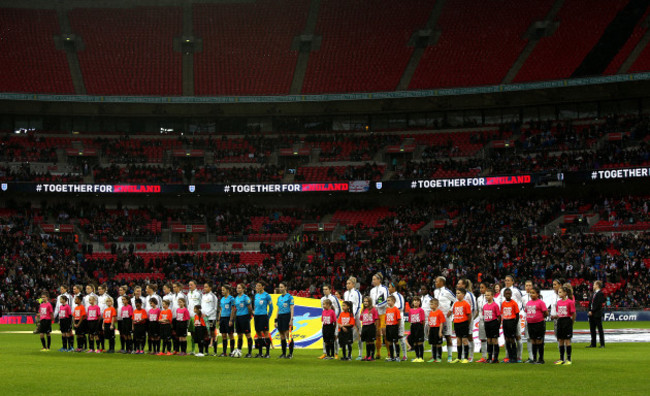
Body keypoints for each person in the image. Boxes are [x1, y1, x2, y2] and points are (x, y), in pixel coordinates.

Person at [434, 276, 456, 362]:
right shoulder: (435, 292)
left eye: (437, 282)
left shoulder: (447, 292)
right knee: (437, 337)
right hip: (437, 317)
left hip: (446, 317)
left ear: (442, 283)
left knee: (447, 336)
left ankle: (450, 356)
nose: (435, 283)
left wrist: (451, 310)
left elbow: (456, 300)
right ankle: (438, 356)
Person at [503, 275, 524, 362]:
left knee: (517, 336)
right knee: (507, 338)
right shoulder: (502, 291)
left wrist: (518, 312)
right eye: (506, 280)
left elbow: (521, 301)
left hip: (514, 318)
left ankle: (519, 356)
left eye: (508, 280)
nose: (507, 282)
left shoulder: (516, 291)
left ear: (512, 282)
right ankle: (508, 356)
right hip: (506, 318)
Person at [448, 288, 472, 364]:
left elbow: (469, 315)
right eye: (457, 293)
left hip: (464, 323)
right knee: (458, 340)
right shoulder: (455, 304)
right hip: (457, 323)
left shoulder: (466, 304)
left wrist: (467, 323)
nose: (457, 295)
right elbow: (455, 314)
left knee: (464, 340)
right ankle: (458, 357)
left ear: (463, 294)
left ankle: (465, 358)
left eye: (459, 293)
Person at [526, 286, 549, 364]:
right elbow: (526, 311)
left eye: (533, 293)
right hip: (530, 324)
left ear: (538, 294)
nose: (531, 295)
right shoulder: (528, 303)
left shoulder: (541, 302)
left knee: (539, 340)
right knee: (533, 341)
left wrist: (540, 318)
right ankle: (534, 358)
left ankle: (541, 359)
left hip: (539, 324)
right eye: (530, 293)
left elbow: (546, 312)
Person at [369, 273, 389, 360]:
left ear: (379, 280)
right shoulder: (372, 290)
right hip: (375, 315)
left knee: (385, 333)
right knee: (377, 334)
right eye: (373, 279)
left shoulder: (384, 289)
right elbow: (370, 301)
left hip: (383, 313)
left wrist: (376, 306)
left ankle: (389, 352)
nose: (373, 281)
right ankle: (378, 353)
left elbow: (386, 301)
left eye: (374, 279)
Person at [457, 278, 477, 362]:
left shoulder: (469, 295)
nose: (457, 285)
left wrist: (471, 319)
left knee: (469, 337)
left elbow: (474, 308)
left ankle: (470, 356)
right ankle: (462, 356)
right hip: (460, 320)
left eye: (459, 284)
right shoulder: (458, 295)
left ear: (464, 285)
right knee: (460, 338)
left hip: (468, 319)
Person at [343, 277, 363, 360]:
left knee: (359, 335)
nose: (347, 285)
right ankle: (349, 354)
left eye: (349, 283)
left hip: (356, 317)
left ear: (353, 284)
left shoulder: (357, 293)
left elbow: (358, 306)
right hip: (347, 317)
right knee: (348, 335)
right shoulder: (345, 293)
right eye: (347, 283)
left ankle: (360, 354)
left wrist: (353, 316)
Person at [319, 284, 341, 359]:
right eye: (323, 289)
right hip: (326, 321)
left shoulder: (334, 298)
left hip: (333, 321)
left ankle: (336, 353)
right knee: (325, 337)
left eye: (326, 289)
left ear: (330, 290)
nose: (324, 291)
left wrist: (335, 318)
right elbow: (323, 310)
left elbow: (339, 308)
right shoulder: (322, 299)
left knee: (335, 337)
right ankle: (325, 353)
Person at [556, 286, 576, 365]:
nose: (559, 293)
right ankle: (561, 358)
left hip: (567, 320)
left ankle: (569, 359)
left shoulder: (569, 302)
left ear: (565, 293)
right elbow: (558, 312)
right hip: (560, 321)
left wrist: (571, 322)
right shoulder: (558, 302)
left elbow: (573, 313)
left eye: (560, 292)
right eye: (558, 292)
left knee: (567, 340)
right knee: (560, 340)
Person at [253, 281, 274, 358]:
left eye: (258, 286)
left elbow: (271, 307)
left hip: (263, 316)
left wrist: (268, 317)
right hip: (257, 316)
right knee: (258, 333)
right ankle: (260, 353)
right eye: (256, 286)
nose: (257, 287)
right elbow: (255, 306)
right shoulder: (256, 295)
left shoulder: (267, 296)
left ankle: (267, 353)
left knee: (265, 333)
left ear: (263, 287)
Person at [388, 282, 407, 361]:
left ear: (393, 288)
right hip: (391, 319)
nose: (388, 288)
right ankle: (395, 355)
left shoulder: (399, 296)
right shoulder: (390, 297)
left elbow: (401, 307)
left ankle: (404, 355)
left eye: (389, 287)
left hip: (399, 318)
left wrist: (393, 308)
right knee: (393, 338)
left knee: (400, 336)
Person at [234, 283, 254, 358]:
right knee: (239, 335)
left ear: (243, 289)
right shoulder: (236, 298)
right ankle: (239, 350)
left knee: (248, 335)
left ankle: (249, 352)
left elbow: (250, 308)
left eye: (239, 288)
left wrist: (248, 316)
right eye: (237, 288)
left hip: (245, 317)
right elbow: (236, 309)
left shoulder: (246, 298)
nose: (237, 289)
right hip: (238, 318)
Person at [275, 281, 294, 359]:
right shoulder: (279, 298)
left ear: (286, 287)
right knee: (281, 335)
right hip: (280, 317)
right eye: (280, 287)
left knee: (288, 335)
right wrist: (276, 320)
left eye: (282, 287)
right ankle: (283, 353)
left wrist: (291, 319)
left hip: (287, 316)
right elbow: (278, 309)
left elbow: (292, 308)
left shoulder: (290, 297)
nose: (280, 288)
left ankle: (290, 354)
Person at [482, 288, 501, 363]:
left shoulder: (495, 305)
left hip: (493, 323)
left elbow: (498, 316)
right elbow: (484, 315)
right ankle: (489, 357)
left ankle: (495, 358)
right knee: (489, 340)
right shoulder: (485, 306)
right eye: (486, 295)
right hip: (487, 323)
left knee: (494, 340)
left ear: (492, 296)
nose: (487, 297)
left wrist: (498, 325)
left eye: (488, 295)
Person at [501, 288, 519, 363]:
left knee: (512, 339)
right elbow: (502, 313)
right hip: (505, 322)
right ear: (504, 295)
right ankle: (510, 356)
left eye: (509, 293)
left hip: (512, 322)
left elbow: (517, 314)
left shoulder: (514, 303)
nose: (508, 295)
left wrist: (515, 324)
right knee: (507, 339)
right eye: (506, 294)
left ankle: (514, 357)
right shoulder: (503, 303)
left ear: (511, 295)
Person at [218, 285, 236, 357]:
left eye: (223, 290)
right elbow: (221, 309)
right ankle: (224, 352)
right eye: (222, 290)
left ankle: (232, 352)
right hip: (222, 318)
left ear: (227, 290)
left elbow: (233, 309)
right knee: (223, 335)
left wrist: (231, 320)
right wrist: (219, 319)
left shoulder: (231, 299)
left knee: (231, 335)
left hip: (228, 318)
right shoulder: (222, 299)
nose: (222, 291)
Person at [360, 296, 379, 361]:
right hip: (365, 326)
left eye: (367, 301)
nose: (365, 303)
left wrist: (376, 328)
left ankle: (372, 356)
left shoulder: (373, 309)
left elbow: (376, 319)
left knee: (371, 341)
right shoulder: (363, 310)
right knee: (367, 341)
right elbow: (361, 319)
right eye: (364, 301)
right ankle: (367, 355)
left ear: (370, 302)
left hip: (371, 326)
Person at [587, 280, 606, 348]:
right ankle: (593, 343)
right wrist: (589, 310)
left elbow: (598, 304)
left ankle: (602, 344)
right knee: (592, 329)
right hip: (592, 314)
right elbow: (590, 303)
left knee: (600, 329)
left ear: (597, 285)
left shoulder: (600, 294)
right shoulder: (594, 294)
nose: (593, 286)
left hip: (597, 314)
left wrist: (592, 310)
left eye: (594, 284)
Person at [201, 282, 218, 355]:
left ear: (210, 288)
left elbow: (214, 308)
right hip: (204, 318)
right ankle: (206, 351)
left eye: (206, 287)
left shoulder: (213, 296)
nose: (204, 288)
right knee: (205, 334)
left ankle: (215, 351)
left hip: (211, 317)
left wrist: (207, 314)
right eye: (204, 287)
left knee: (212, 334)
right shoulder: (203, 296)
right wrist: (202, 313)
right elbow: (202, 307)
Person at [427, 298, 445, 363]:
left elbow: (441, 323)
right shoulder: (431, 313)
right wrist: (429, 331)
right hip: (432, 329)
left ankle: (439, 357)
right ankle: (434, 357)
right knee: (433, 344)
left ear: (436, 305)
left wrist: (440, 331)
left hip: (437, 329)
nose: (430, 305)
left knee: (438, 344)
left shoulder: (439, 312)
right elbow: (429, 323)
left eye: (432, 304)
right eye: (430, 304)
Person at [385, 295, 402, 362]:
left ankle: (397, 356)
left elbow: (399, 319)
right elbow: (386, 319)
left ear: (393, 301)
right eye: (387, 301)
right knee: (390, 342)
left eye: (389, 300)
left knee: (396, 341)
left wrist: (397, 327)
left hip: (394, 326)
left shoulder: (396, 309)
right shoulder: (387, 309)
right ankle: (391, 357)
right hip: (388, 326)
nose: (388, 302)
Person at [521, 280, 535, 362]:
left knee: (536, 339)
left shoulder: (537, 297)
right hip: (528, 321)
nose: (528, 287)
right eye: (527, 285)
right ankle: (531, 357)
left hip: (536, 321)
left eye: (530, 285)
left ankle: (536, 356)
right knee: (529, 338)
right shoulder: (523, 298)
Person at [408, 296, 425, 363]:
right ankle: (417, 356)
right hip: (413, 326)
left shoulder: (421, 310)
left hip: (419, 326)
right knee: (415, 342)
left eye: (417, 301)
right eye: (414, 300)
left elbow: (423, 320)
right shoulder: (411, 310)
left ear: (419, 303)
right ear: (412, 302)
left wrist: (421, 328)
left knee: (420, 342)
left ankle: (421, 357)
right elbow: (410, 320)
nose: (416, 302)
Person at [187, 280, 202, 355]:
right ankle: (192, 350)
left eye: (191, 285)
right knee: (192, 333)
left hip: (196, 317)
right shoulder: (188, 294)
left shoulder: (199, 294)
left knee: (198, 334)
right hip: (190, 317)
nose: (190, 286)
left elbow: (201, 304)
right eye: (189, 285)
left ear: (195, 285)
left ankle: (200, 350)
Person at [476, 282, 489, 363]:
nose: (481, 289)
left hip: (489, 320)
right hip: (481, 321)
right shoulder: (479, 299)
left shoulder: (490, 298)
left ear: (486, 288)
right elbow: (478, 311)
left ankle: (492, 356)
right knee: (483, 339)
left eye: (482, 287)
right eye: (480, 287)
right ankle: (484, 357)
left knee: (491, 339)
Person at [96, 284, 110, 352]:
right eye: (98, 289)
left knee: (105, 333)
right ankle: (100, 348)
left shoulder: (107, 297)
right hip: (99, 318)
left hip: (105, 318)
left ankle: (107, 348)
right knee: (99, 333)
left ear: (104, 290)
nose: (99, 291)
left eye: (100, 289)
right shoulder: (98, 298)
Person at [116, 285, 128, 353]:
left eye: (121, 290)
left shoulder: (127, 298)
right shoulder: (118, 299)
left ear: (124, 291)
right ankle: (122, 347)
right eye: (119, 290)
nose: (120, 291)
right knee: (121, 333)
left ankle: (127, 348)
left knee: (126, 333)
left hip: (125, 318)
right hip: (119, 318)